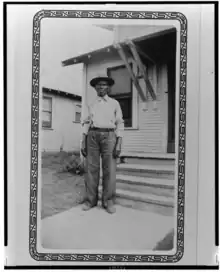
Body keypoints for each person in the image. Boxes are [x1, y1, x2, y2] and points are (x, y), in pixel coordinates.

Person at [81, 75, 124, 214]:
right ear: (95, 88)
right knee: (91, 169)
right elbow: (86, 122)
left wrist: (119, 143)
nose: (101, 87)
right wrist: (83, 141)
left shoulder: (114, 103)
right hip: (92, 136)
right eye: (98, 85)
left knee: (109, 169)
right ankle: (90, 201)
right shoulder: (91, 104)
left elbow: (119, 123)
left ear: (108, 87)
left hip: (109, 136)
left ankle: (108, 201)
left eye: (104, 85)